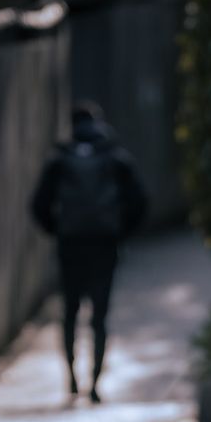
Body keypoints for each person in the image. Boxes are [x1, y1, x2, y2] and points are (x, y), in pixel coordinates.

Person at [31, 101, 147, 402]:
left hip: (70, 244)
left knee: (70, 312)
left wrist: (57, 229)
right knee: (99, 316)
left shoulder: (60, 160)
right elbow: (140, 202)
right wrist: (120, 232)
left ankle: (71, 378)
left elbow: (38, 205)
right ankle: (94, 384)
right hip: (104, 244)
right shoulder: (116, 158)